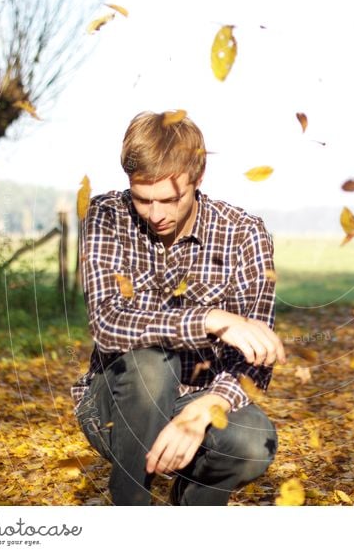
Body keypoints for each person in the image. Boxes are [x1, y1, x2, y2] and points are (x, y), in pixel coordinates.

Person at [71, 110, 285, 505]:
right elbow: (108, 323)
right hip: (114, 405)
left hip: (197, 400)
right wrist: (209, 319)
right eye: (142, 199)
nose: (155, 215)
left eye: (170, 199)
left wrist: (205, 408)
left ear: (198, 179)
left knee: (254, 441)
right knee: (152, 362)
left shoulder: (244, 234)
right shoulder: (107, 217)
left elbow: (254, 361)